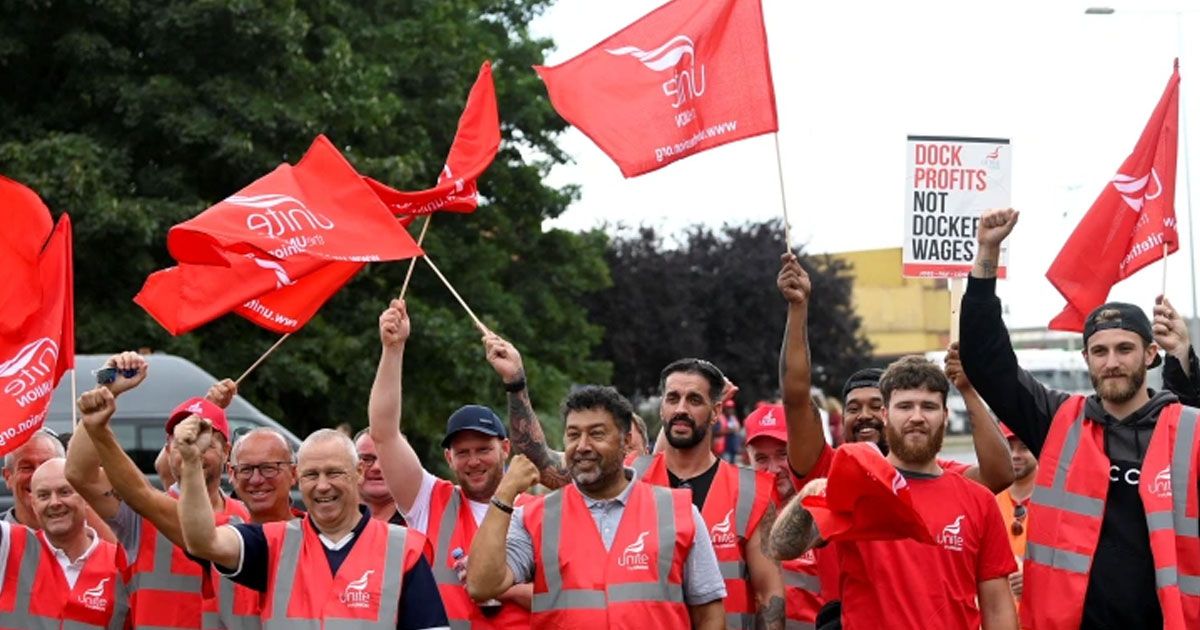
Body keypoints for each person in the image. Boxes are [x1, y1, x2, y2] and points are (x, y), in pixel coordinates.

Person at [960, 207, 1200, 629]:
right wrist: (986, 255)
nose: (1112, 362)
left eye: (1125, 349)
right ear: (1086, 359)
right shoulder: (1059, 422)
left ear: (1149, 354)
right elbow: (987, 363)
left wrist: (1185, 358)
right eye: (1100, 351)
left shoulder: (1184, 429)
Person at [487, 333, 785, 629]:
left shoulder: (751, 490)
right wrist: (516, 384)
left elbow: (769, 595)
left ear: (716, 410)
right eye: (672, 398)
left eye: (694, 399)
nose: (681, 409)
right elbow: (540, 460)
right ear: (662, 408)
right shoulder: (624, 474)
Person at [771, 356, 1018, 630]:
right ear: (886, 415)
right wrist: (811, 493)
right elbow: (782, 547)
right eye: (904, 406)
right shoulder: (855, 489)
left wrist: (969, 389)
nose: (917, 417)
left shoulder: (978, 500)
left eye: (929, 407)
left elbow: (997, 607)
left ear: (945, 417)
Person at [466, 385, 727, 629]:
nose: (582, 446)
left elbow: (709, 613)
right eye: (573, 435)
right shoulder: (535, 518)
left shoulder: (679, 512)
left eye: (596, 434)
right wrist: (504, 494)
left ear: (626, 441)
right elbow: (481, 586)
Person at [176, 424, 449, 629]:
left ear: (358, 474)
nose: (322, 485)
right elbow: (203, 541)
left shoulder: (403, 549)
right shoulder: (273, 543)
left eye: (333, 473)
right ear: (297, 478)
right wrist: (190, 462)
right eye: (311, 475)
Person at [368, 299, 529, 627]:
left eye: (483, 449)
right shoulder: (430, 500)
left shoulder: (535, 510)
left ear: (506, 448)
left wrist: (500, 585)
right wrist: (393, 349)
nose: (474, 461)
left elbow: (565, 594)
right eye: (462, 452)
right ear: (448, 458)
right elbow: (383, 433)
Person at [65, 351, 252, 629]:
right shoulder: (139, 517)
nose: (194, 451)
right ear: (167, 450)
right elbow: (79, 474)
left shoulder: (244, 517)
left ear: (227, 452)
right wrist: (105, 391)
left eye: (206, 443)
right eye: (181, 442)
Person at [0, 457, 129, 627]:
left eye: (64, 492)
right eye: (44, 495)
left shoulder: (120, 563)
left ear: (85, 496)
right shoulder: (9, 546)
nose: (54, 503)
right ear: (33, 503)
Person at [743, 404, 829, 629]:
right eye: (761, 458)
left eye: (783, 454)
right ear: (748, 459)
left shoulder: (825, 509)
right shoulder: (740, 514)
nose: (773, 468)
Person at [230, 426, 299, 523]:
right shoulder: (224, 534)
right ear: (232, 474)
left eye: (268, 468)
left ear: (293, 473)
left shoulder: (318, 534)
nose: (256, 480)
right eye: (246, 469)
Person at [353, 429, 405, 525]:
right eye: (366, 459)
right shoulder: (329, 520)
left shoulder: (422, 521)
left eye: (388, 458)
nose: (377, 467)